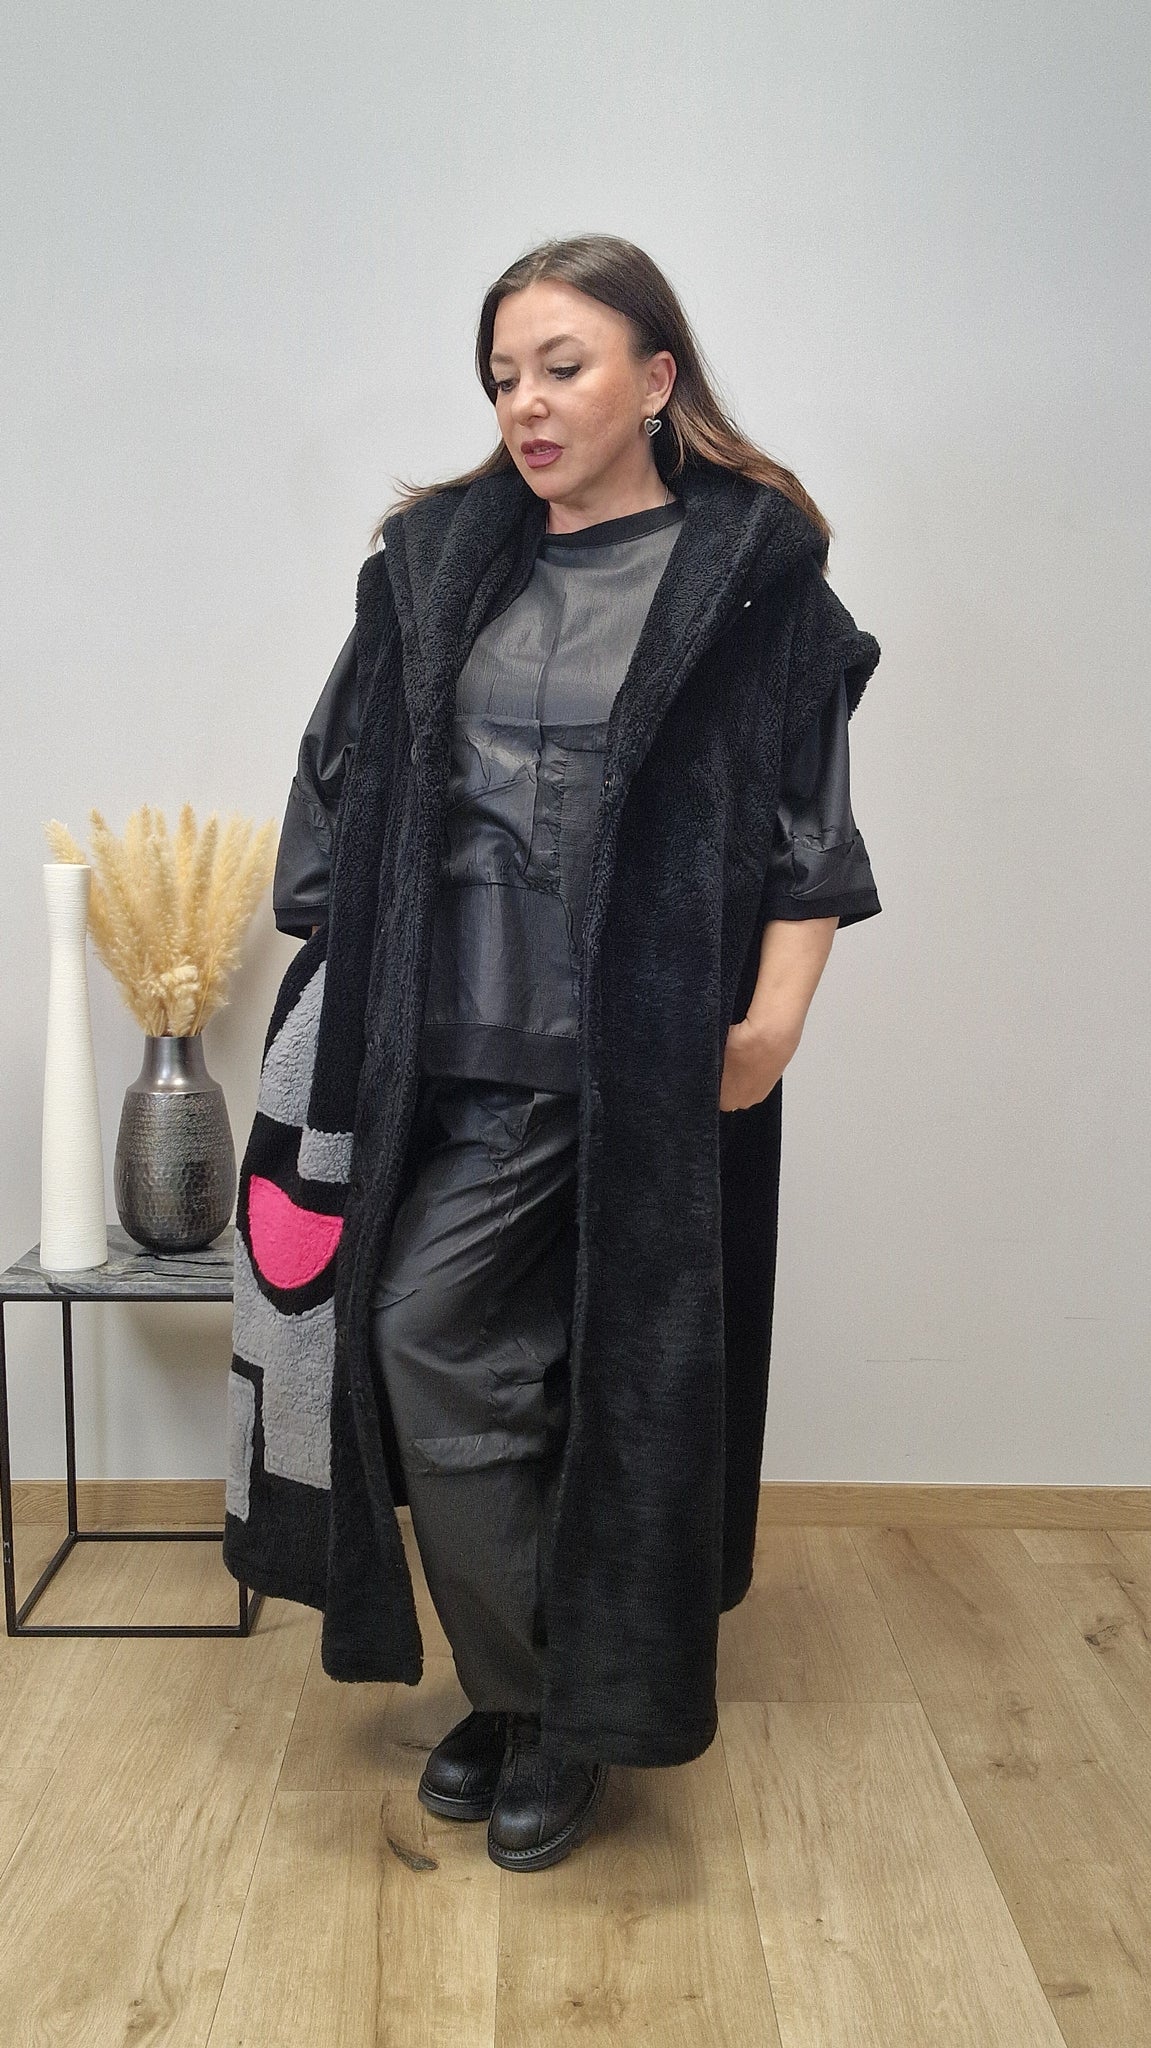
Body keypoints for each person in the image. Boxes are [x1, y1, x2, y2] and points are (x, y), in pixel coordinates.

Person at [226, 233, 882, 1875]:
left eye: (561, 367)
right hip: (442, 1046)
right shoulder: (431, 566)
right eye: (503, 375)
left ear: (656, 378)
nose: (525, 402)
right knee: (440, 1345)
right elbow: (337, 785)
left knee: (565, 1373)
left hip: (643, 1065)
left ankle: (546, 1705)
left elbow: (810, 837)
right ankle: (538, 1696)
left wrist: (771, 1027)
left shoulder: (751, 582)